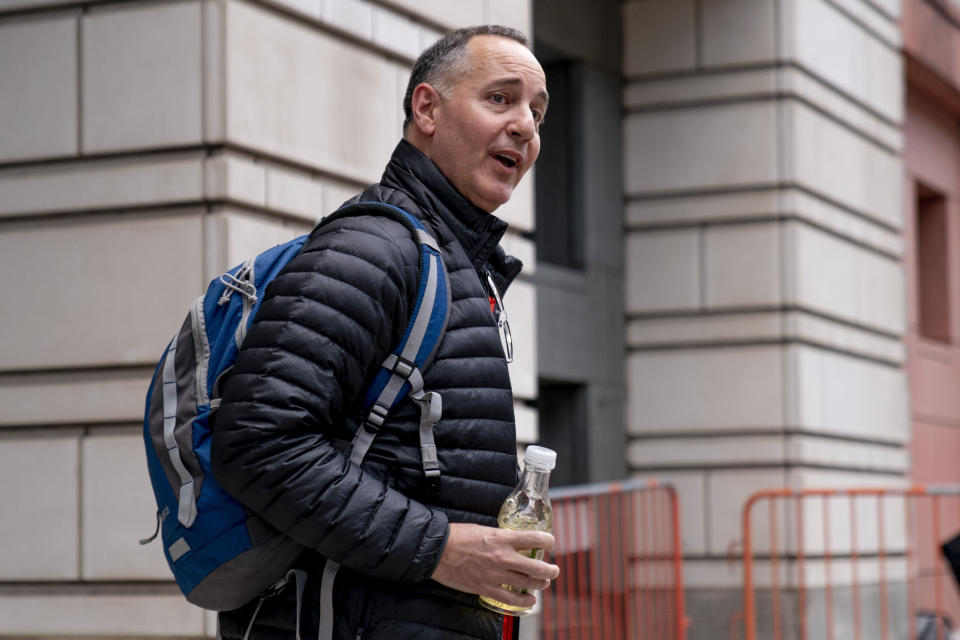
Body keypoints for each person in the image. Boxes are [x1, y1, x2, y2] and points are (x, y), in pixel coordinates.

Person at [210, 24, 558, 640]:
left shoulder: (456, 262)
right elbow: (258, 442)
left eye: (537, 110)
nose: (526, 126)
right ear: (427, 108)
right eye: (501, 99)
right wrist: (443, 549)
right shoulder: (374, 247)